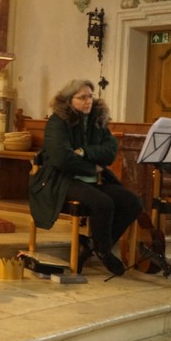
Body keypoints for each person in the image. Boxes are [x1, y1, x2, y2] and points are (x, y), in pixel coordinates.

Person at [30, 79, 142, 277]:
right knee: (103, 203)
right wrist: (92, 167)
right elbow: (61, 158)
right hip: (62, 180)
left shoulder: (96, 119)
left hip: (93, 180)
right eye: (82, 97)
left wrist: (84, 152)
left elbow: (110, 150)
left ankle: (92, 245)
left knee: (132, 202)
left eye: (90, 96)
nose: (88, 101)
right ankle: (104, 251)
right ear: (69, 100)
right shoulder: (58, 121)